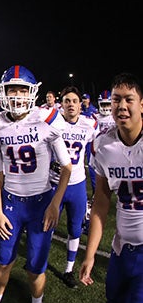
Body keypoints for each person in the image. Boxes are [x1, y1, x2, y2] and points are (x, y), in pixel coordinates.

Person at [0, 65, 72, 303]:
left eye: (22, 89)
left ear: (32, 92)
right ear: (2, 92)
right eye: (12, 89)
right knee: (4, 262)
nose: (17, 95)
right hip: (11, 203)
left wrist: (55, 203)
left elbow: (66, 168)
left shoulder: (47, 119)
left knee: (34, 268)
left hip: (41, 203)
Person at [66, 72, 143, 303]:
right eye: (116, 99)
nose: (121, 106)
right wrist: (88, 253)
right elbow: (100, 203)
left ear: (142, 104)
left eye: (129, 99)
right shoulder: (103, 144)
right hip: (121, 248)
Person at [48, 86, 97, 288]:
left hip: (77, 184)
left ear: (80, 104)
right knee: (47, 225)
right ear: (62, 103)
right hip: (54, 182)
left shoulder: (89, 125)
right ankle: (40, 261)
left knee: (75, 228)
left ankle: (68, 270)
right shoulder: (53, 122)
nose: (71, 104)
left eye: (74, 101)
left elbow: (96, 147)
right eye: (67, 100)